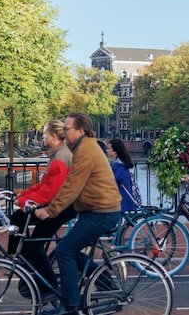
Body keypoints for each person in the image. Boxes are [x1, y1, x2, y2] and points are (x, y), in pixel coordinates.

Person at [36, 113, 122, 315]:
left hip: (102, 212)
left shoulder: (86, 150)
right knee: (71, 251)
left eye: (67, 129)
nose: (64, 133)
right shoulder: (83, 147)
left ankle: (69, 306)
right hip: (95, 209)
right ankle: (106, 284)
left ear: (81, 130)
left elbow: (72, 186)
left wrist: (50, 211)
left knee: (63, 252)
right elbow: (72, 186)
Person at [7, 120, 74, 298]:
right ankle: (24, 260)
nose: (42, 137)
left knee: (36, 245)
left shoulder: (60, 159)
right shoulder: (56, 155)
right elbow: (43, 185)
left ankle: (49, 286)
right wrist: (22, 196)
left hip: (61, 207)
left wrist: (23, 201)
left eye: (44, 134)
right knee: (18, 218)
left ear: (53, 136)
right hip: (58, 203)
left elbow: (49, 193)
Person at [106, 139, 139, 212]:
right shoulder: (118, 163)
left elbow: (112, 180)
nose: (107, 150)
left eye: (109, 148)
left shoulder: (120, 166)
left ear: (115, 151)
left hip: (121, 199)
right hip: (120, 198)